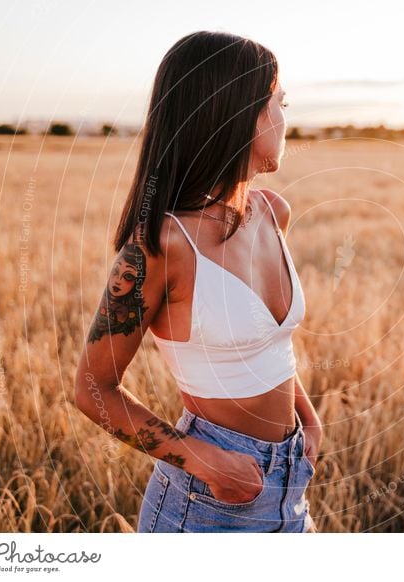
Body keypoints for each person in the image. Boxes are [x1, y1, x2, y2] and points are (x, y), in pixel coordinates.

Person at [73, 30, 322, 533]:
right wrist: (203, 459)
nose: (285, 119)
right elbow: (92, 388)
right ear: (235, 115)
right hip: (208, 503)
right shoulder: (161, 246)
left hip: (290, 482)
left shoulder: (273, 212)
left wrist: (308, 419)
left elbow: (268, 346)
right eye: (279, 102)